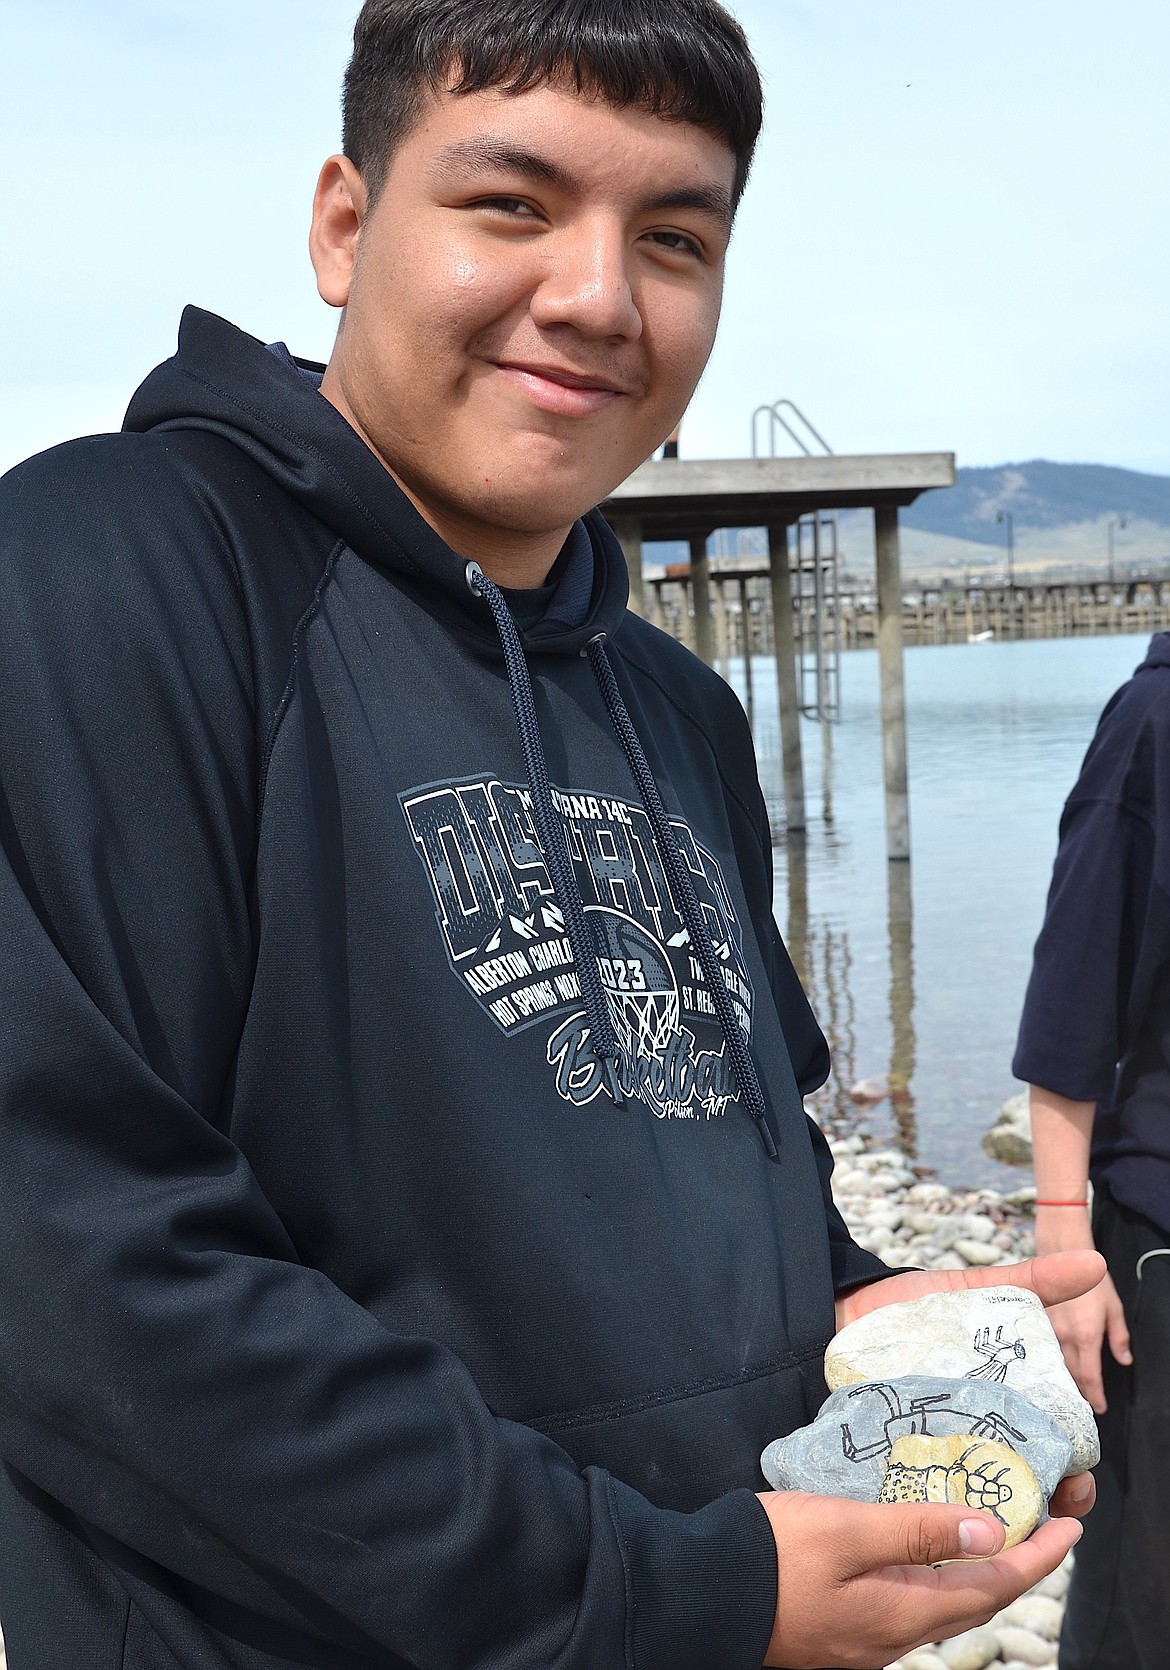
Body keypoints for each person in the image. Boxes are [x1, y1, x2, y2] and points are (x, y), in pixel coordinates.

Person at [0, 4, 1097, 1667]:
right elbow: (74, 1265)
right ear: (347, 225)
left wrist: (871, 1305)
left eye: (675, 237)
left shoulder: (676, 709)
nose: (597, 297)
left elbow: (740, 1151)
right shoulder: (104, 579)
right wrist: (643, 1595)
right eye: (510, 205)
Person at [1016, 631, 1170, 1670]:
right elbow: (1076, 989)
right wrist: (1067, 1250)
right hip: (1160, 1235)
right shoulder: (1152, 721)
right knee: (1140, 1591)